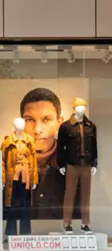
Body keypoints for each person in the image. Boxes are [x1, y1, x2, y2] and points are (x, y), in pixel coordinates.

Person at [19, 88, 76, 220]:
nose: (37, 129)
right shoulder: (9, 161)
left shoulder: (73, 162)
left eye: (46, 119)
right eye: (29, 120)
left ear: (59, 123)